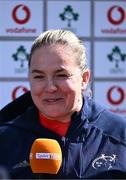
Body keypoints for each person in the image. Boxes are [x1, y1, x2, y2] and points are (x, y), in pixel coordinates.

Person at [0, 29, 126, 179]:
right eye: (39, 77)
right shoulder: (5, 140)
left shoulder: (119, 135)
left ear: (84, 79)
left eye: (61, 75)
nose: (50, 87)